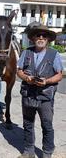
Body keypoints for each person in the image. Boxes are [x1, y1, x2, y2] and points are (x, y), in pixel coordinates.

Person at [17, 22, 63, 158]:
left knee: (47, 125)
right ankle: (28, 151)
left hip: (45, 97)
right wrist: (26, 78)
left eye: (44, 35)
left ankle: (47, 152)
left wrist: (46, 81)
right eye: (38, 35)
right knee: (27, 124)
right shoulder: (26, 52)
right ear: (33, 38)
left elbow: (59, 75)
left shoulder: (54, 54)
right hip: (28, 95)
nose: (41, 38)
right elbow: (19, 71)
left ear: (48, 39)